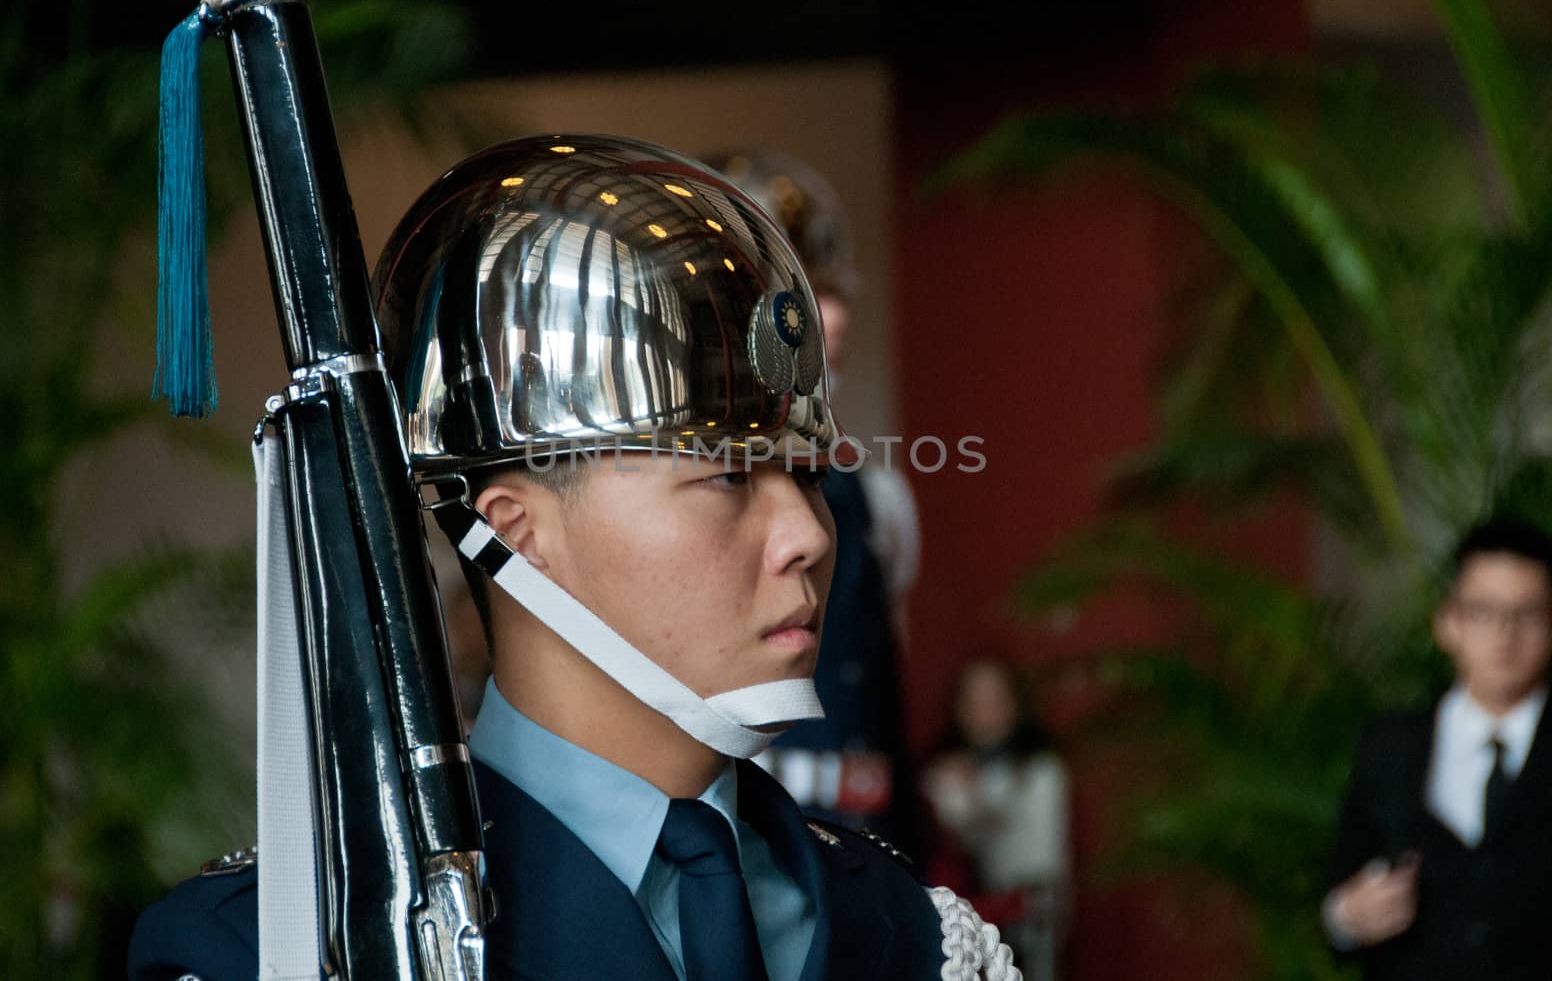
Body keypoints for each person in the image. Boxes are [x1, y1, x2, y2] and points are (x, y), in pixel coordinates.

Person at [128, 135, 1017, 980]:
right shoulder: (280, 945)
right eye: (729, 479)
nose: (810, 535)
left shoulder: (921, 936)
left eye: (809, 474)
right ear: (516, 532)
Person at [706, 150, 924, 853]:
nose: (828, 319)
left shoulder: (878, 496)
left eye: (832, 292)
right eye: (796, 291)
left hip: (861, 844)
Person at [1322, 517, 1552, 980]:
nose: (1505, 634)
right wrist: (1348, 917)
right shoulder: (1390, 745)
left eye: (1527, 613)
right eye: (1484, 611)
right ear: (1448, 622)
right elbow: (1338, 893)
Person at [923, 657, 1070, 981]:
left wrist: (975, 794)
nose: (984, 710)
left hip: (1024, 917)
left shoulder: (1039, 770)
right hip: (958, 922)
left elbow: (1003, 825)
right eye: (974, 700)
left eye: (994, 698)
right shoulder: (941, 769)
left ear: (1015, 704)